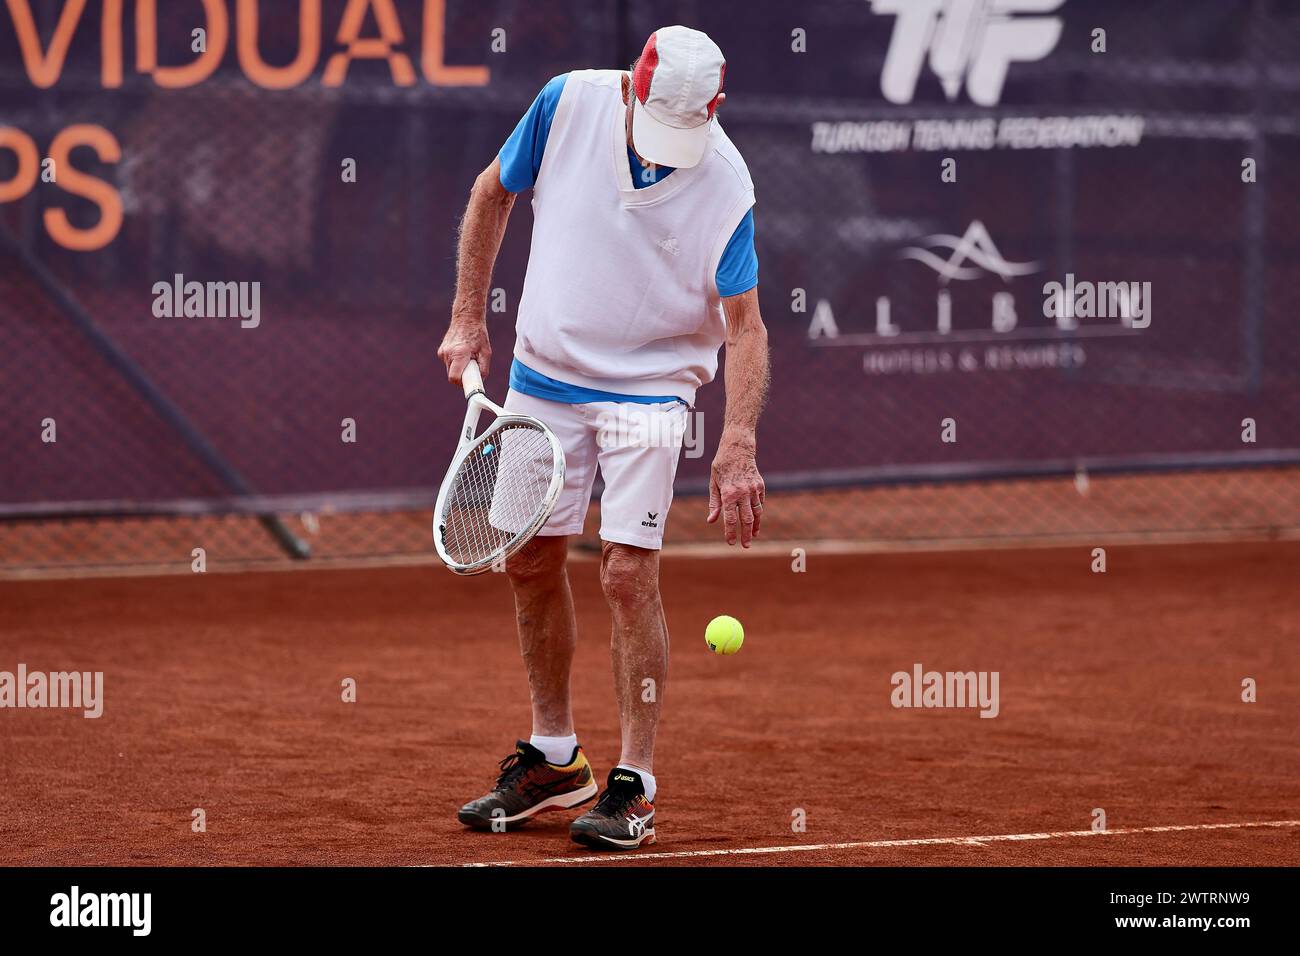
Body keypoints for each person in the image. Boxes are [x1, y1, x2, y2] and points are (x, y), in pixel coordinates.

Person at [438, 25, 769, 850]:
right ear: (629, 88)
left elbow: (747, 328)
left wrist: (739, 443)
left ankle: (636, 784)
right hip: (543, 375)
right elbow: (491, 194)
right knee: (529, 559)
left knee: (627, 575)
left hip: (649, 392)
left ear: (714, 109)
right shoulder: (568, 102)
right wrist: (467, 319)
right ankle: (555, 758)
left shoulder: (726, 183)